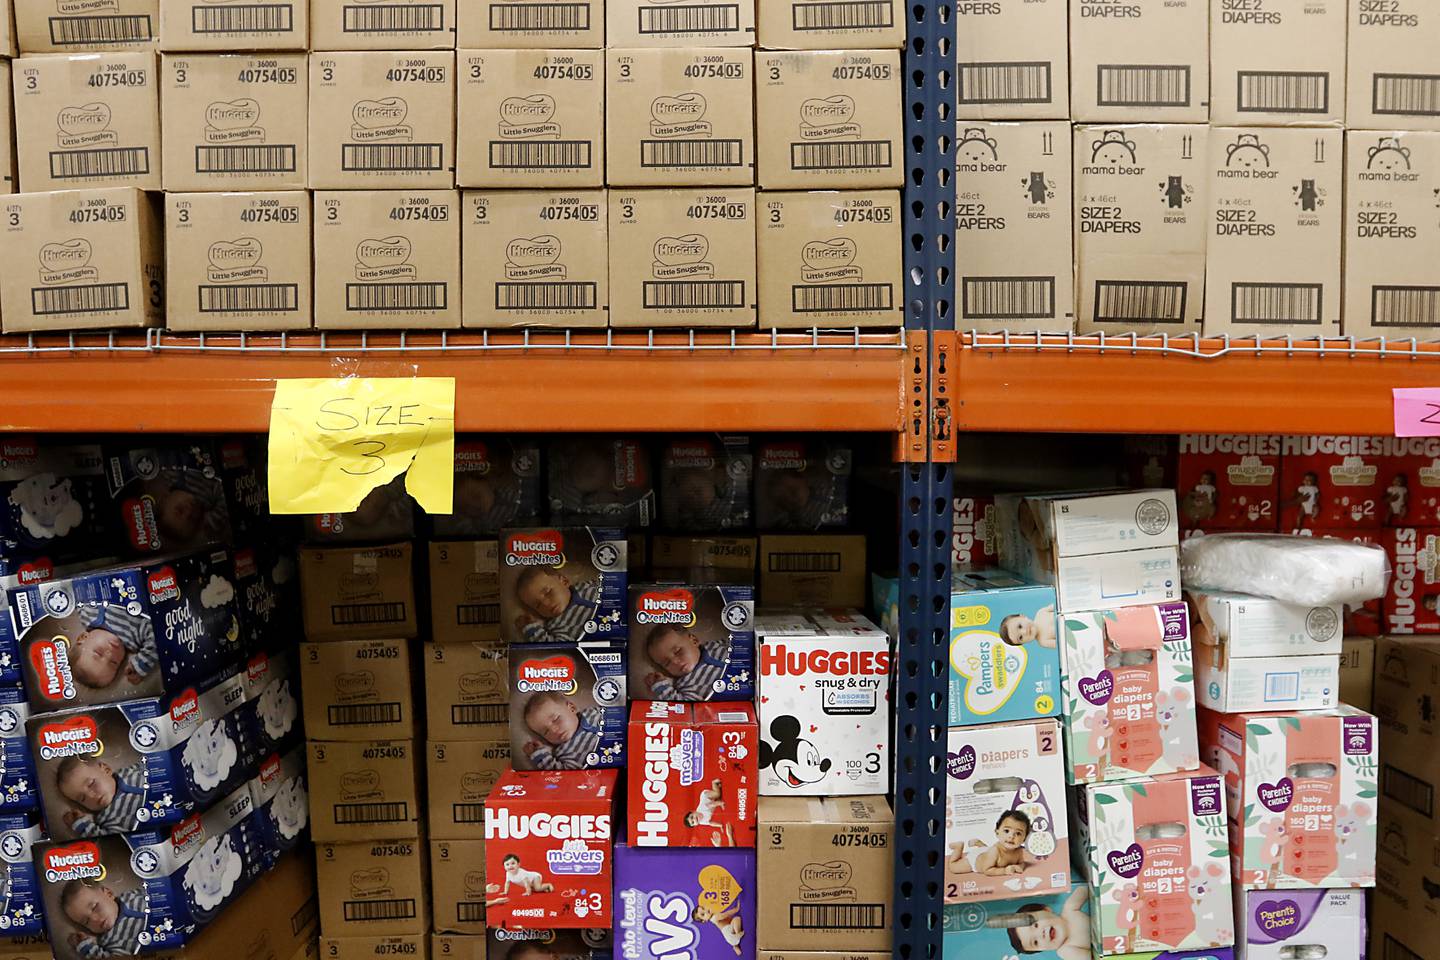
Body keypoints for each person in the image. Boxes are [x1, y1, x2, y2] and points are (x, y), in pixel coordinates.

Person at [69, 604, 157, 691]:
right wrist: (140, 665)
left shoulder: (86, 614)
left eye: (98, 653)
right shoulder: (134, 640)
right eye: (113, 662)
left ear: (83, 637)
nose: (110, 653)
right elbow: (157, 637)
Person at [55, 757, 148, 837]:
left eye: (91, 784)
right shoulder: (108, 818)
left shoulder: (127, 772)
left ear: (106, 769)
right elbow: (106, 841)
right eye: (82, 798)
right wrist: (80, 824)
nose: (91, 796)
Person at [60, 881, 149, 959]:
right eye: (86, 921)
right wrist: (85, 946)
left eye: (94, 907)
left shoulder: (130, 896)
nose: (95, 919)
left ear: (109, 894)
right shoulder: (110, 940)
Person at [513, 568, 600, 643]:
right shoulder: (557, 625)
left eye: (547, 593)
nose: (546, 604)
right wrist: (531, 629)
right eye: (538, 605)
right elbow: (554, 649)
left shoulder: (585, 586)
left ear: (564, 581)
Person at [645, 626, 732, 700]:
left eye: (678, 651)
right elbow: (683, 707)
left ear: (694, 640)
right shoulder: (687, 684)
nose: (675, 662)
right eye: (667, 663)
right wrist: (661, 687)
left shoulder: (714, 646)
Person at [522, 691, 604, 770]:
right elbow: (561, 774)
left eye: (556, 719)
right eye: (546, 732)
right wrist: (539, 755)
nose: (554, 730)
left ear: (572, 708)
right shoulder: (565, 752)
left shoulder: (591, 712)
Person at [1006, 887, 1090, 959]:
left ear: (1046, 910)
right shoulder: (1065, 950)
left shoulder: (1070, 908)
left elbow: (1085, 889)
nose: (1040, 934)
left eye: (1036, 925)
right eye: (1036, 942)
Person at [948, 809, 1033, 876]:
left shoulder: (1019, 851)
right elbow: (987, 870)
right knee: (953, 867)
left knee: (986, 850)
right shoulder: (994, 851)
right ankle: (958, 847)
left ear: (1024, 838)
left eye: (1018, 833)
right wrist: (1004, 871)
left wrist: (1019, 867)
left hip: (986, 851)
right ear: (997, 832)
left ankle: (980, 844)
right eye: (1007, 831)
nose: (1011, 836)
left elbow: (1022, 863)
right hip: (976, 859)